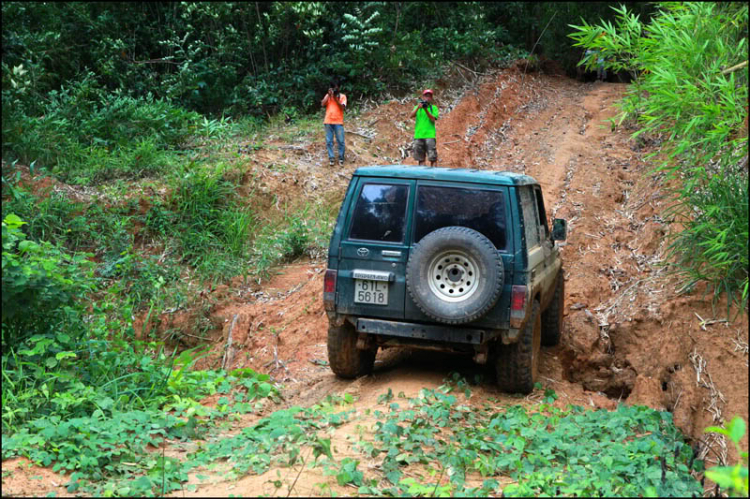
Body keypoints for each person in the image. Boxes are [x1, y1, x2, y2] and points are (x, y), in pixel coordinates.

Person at [321, 79, 347, 166]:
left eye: (336, 88)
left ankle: (341, 158)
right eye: (333, 88)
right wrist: (328, 95)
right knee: (329, 141)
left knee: (341, 141)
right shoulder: (328, 96)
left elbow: (342, 107)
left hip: (338, 122)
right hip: (328, 121)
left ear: (339, 87)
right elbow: (322, 104)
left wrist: (335, 99)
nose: (335, 89)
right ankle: (331, 158)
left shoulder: (342, 96)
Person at [409, 89, 439, 166]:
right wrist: (418, 108)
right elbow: (411, 116)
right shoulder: (417, 107)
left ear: (431, 98)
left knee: (433, 158)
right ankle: (422, 176)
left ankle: (433, 176)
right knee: (420, 159)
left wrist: (426, 110)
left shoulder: (433, 108)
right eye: (426, 96)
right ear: (423, 97)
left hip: (430, 135)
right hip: (418, 135)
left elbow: (433, 119)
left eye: (429, 96)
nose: (427, 98)